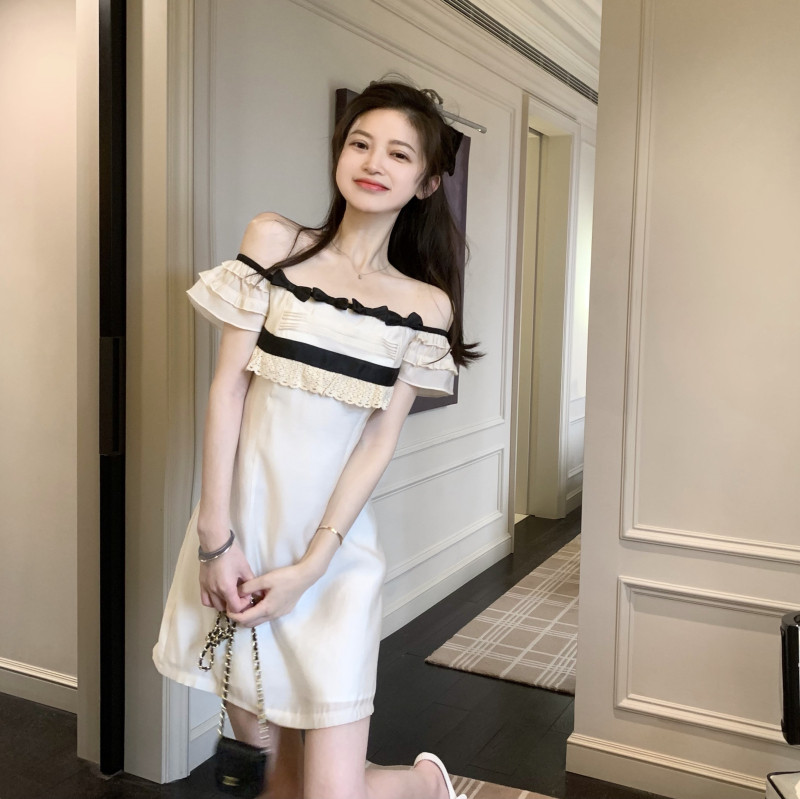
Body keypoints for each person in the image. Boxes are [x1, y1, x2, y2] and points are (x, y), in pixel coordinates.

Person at [153, 80, 480, 799]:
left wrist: (312, 565)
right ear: (339, 152)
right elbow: (227, 388)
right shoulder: (274, 242)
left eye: (399, 153)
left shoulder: (425, 306)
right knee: (279, 781)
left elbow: (377, 441)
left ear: (426, 182)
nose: (373, 162)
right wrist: (214, 536)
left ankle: (425, 786)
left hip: (334, 558)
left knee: (330, 794)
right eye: (360, 143)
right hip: (240, 547)